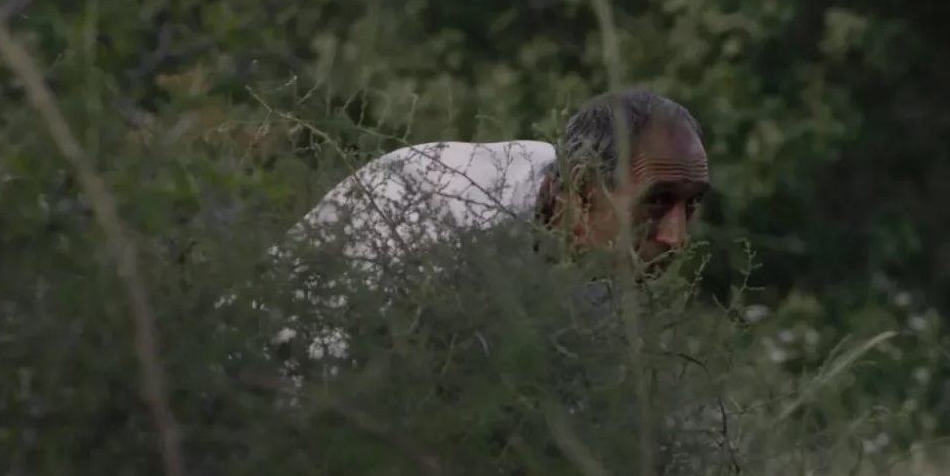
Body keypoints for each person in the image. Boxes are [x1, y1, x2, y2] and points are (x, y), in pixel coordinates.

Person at [263, 87, 712, 368]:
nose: (675, 237)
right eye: (656, 202)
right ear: (584, 188)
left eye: (691, 205)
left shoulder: (588, 231)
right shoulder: (455, 224)